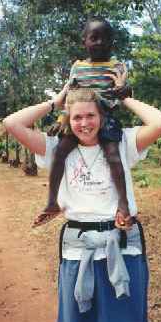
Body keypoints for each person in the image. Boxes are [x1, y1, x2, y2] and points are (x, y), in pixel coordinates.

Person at [3, 71, 161, 322]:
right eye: (77, 117)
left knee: (123, 321)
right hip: (78, 248)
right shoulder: (56, 147)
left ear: (101, 116)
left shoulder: (122, 141)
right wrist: (57, 101)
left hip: (122, 245)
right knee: (77, 321)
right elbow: (12, 123)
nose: (84, 123)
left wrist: (124, 96)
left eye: (90, 115)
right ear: (68, 119)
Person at [33, 16, 132, 228]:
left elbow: (125, 90)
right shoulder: (77, 67)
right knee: (59, 153)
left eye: (105, 38)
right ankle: (52, 202)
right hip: (77, 119)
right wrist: (62, 119)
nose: (99, 42)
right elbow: (70, 94)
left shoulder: (117, 66)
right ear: (84, 41)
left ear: (112, 42)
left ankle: (123, 203)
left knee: (113, 157)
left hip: (105, 119)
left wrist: (124, 90)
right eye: (94, 38)